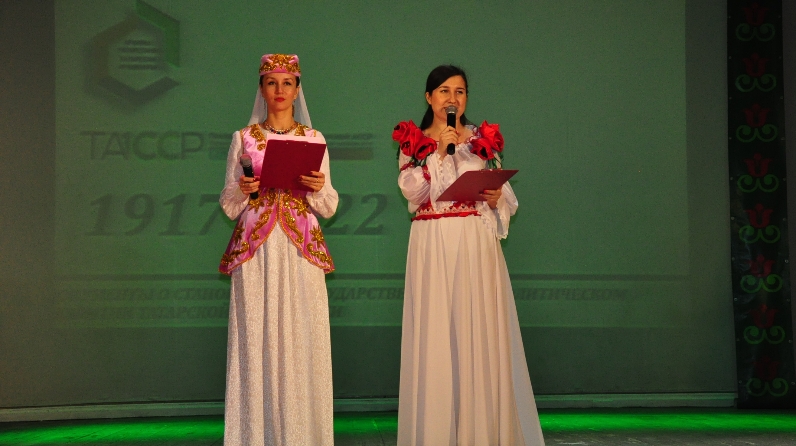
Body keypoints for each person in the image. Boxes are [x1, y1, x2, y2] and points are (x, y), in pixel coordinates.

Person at [394, 65, 545, 445]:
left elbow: (504, 196)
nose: (452, 99)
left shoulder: (482, 140)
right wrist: (438, 152)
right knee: (437, 335)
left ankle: (482, 433)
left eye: (459, 92)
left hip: (476, 243)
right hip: (434, 243)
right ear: (429, 97)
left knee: (479, 333)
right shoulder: (414, 141)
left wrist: (496, 198)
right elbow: (413, 192)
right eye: (444, 91)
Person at [218, 53, 338, 446]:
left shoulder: (313, 139)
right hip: (256, 251)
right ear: (262, 89)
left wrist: (317, 188)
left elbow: (329, 204)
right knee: (256, 339)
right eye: (272, 82)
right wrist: (244, 189)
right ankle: (257, 436)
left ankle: (303, 434)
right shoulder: (244, 138)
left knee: (301, 339)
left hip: (300, 248)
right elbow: (228, 203)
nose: (280, 90)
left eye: (288, 82)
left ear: (298, 89)